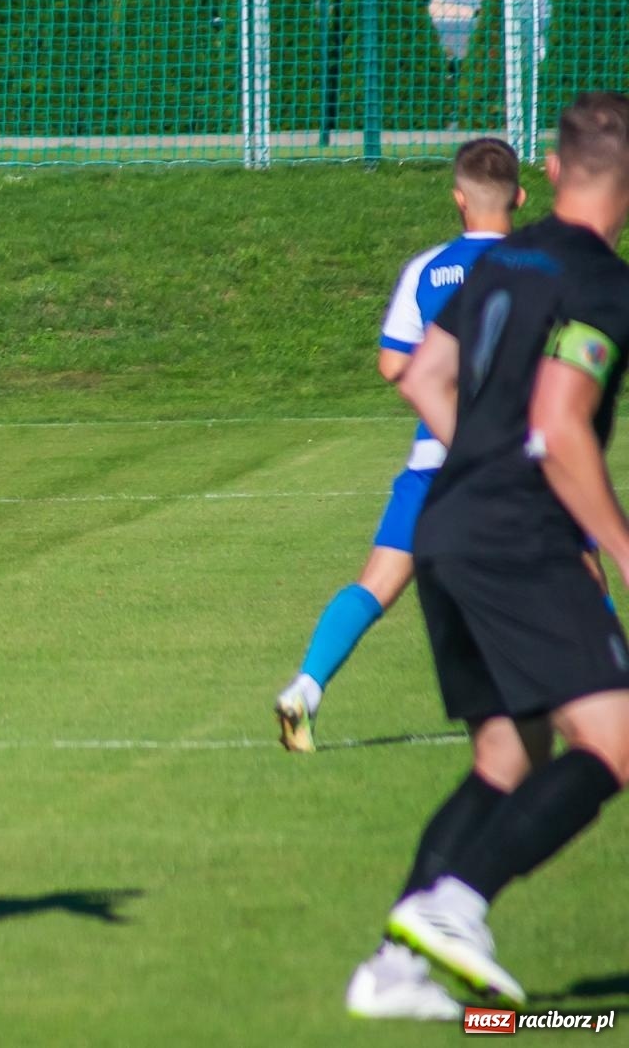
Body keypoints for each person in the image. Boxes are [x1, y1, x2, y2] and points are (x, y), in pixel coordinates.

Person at [361, 91, 629, 1013]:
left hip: (444, 523)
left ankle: (391, 971)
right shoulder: (602, 282)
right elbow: (560, 427)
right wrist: (619, 546)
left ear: (552, 170)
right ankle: (459, 904)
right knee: (616, 740)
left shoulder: (499, 258)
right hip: (515, 534)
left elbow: (423, 373)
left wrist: (476, 452)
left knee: (506, 757)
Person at [276, 139, 523, 754]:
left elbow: (393, 364)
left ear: (458, 200)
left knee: (378, 582)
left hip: (434, 461)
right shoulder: (542, 265)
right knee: (577, 569)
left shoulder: (427, 269)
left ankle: (305, 688)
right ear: (520, 196)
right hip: (517, 458)